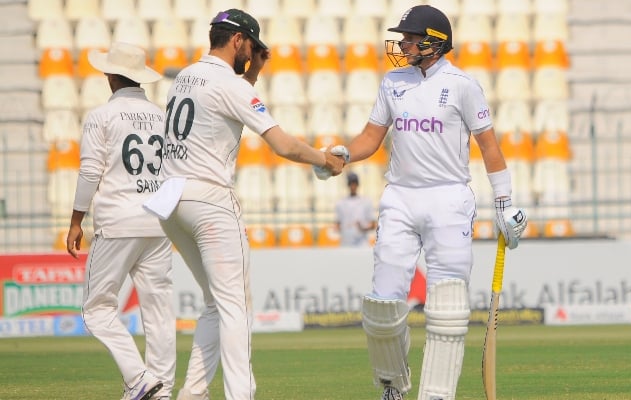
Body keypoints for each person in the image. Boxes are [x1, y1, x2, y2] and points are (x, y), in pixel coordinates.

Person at [314, 5, 528, 400]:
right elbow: (370, 138)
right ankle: (392, 385)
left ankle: (436, 395)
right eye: (403, 38)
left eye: (411, 38)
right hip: (400, 197)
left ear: (434, 42)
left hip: (449, 198)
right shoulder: (393, 82)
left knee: (447, 308)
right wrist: (345, 154)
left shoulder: (463, 85)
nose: (403, 44)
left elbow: (490, 148)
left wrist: (504, 203)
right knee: (381, 307)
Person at [142, 9, 345, 400]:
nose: (251, 55)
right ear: (238, 41)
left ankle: (194, 393)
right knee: (236, 305)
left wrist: (252, 75)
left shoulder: (185, 76)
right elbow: (284, 145)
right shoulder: (231, 86)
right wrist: (325, 160)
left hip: (171, 198)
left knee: (216, 303)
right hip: (209, 200)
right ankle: (241, 395)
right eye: (251, 47)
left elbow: (223, 103)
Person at [65, 42, 176, 400]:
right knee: (158, 310)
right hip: (158, 222)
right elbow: (177, 171)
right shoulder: (162, 115)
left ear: (111, 76)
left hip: (117, 222)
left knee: (96, 309)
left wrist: (75, 221)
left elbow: (90, 171)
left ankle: (138, 377)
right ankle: (161, 388)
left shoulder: (102, 116)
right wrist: (164, 214)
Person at [335, 172, 377, 246]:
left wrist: (363, 228)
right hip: (346, 243)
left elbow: (373, 225)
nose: (353, 186)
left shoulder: (366, 202)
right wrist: (346, 228)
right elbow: (337, 225)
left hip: (362, 244)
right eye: (351, 184)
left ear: (358, 185)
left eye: (354, 183)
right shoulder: (340, 203)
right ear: (348, 185)